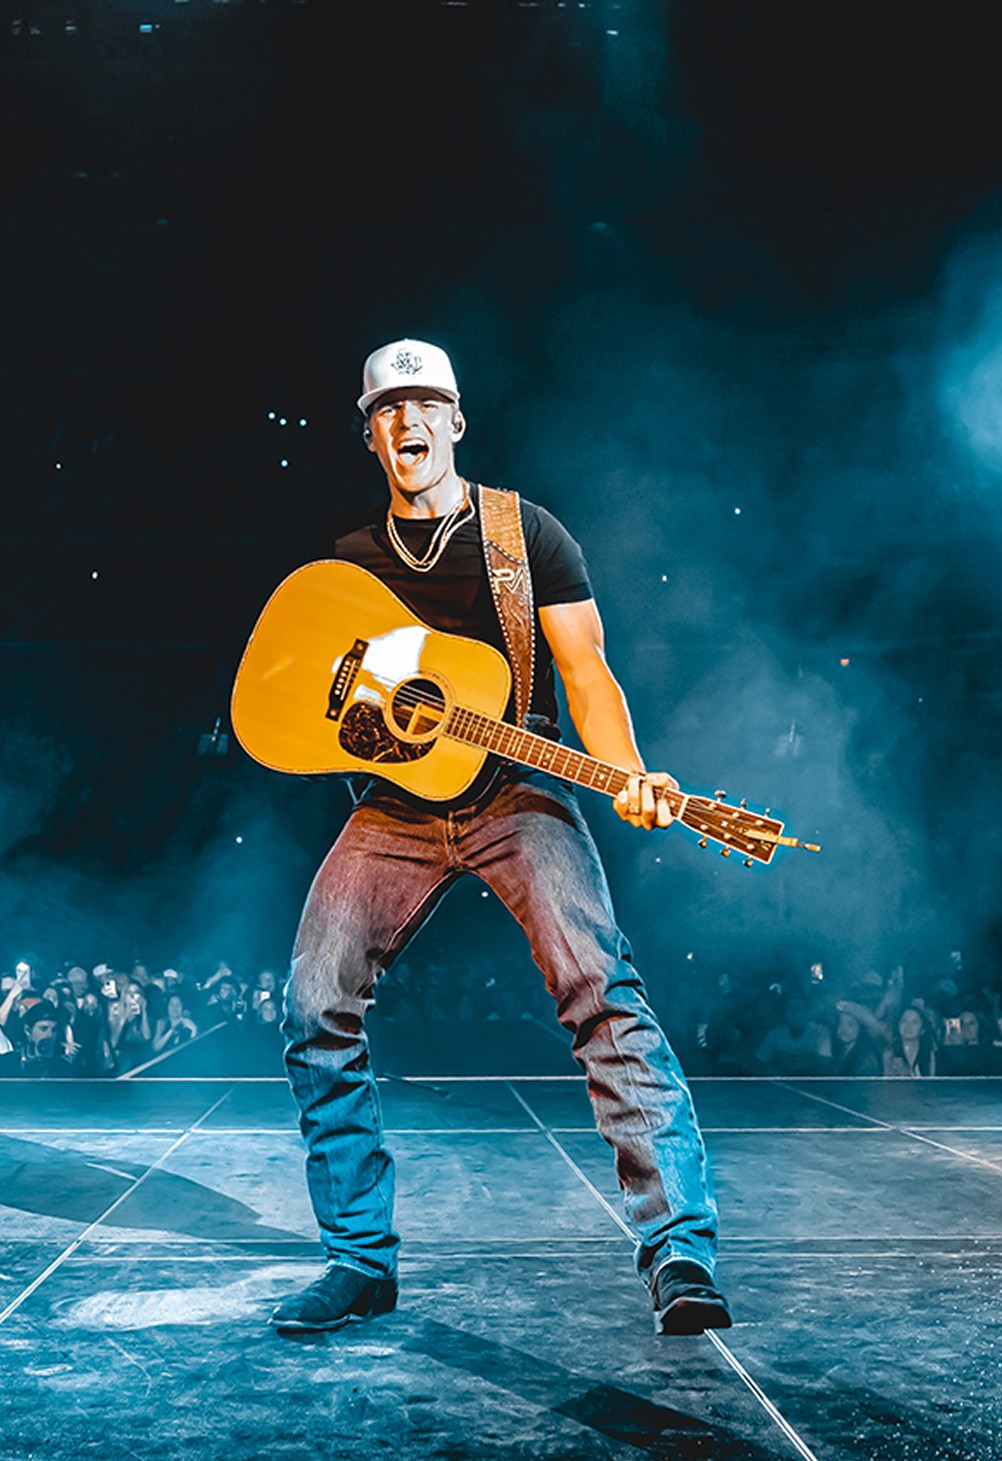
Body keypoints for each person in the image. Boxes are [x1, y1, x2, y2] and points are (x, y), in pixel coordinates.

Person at [272, 339, 730, 1337]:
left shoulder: (528, 538)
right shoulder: (351, 564)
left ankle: (681, 1251)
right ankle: (360, 1261)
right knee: (314, 999)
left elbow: (587, 668)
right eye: (389, 410)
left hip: (519, 787)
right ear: (371, 434)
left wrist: (628, 770)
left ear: (456, 420)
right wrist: (362, 722)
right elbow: (319, 708)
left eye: (426, 403)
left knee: (599, 990)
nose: (409, 423)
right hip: (398, 804)